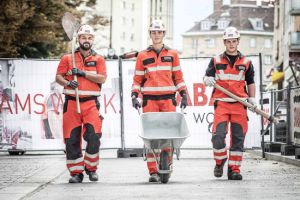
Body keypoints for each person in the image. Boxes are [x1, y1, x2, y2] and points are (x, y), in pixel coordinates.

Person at [131, 19, 188, 182]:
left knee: (168, 136)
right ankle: (153, 172)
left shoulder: (173, 54)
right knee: (151, 138)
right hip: (149, 101)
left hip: (168, 100)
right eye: (154, 32)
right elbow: (137, 79)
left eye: (159, 32)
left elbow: (178, 77)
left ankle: (166, 165)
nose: (156, 35)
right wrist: (134, 95)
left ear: (164, 34)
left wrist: (184, 94)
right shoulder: (142, 55)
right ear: (150, 34)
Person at [203, 27, 256, 181]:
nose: (231, 44)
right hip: (222, 103)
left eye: (234, 41)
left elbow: (250, 82)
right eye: (228, 41)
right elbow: (207, 76)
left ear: (238, 42)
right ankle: (219, 162)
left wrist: (252, 98)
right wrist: (207, 79)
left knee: (238, 138)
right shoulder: (216, 60)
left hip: (240, 104)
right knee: (218, 136)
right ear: (224, 42)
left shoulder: (246, 62)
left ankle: (234, 169)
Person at [56, 24, 107, 183]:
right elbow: (58, 77)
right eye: (83, 37)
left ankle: (91, 168)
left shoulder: (99, 59)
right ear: (78, 39)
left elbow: (102, 78)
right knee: (71, 139)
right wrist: (67, 83)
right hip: (72, 104)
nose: (86, 40)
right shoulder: (67, 57)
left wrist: (83, 73)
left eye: (89, 38)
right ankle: (76, 173)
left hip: (91, 104)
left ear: (93, 40)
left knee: (94, 137)